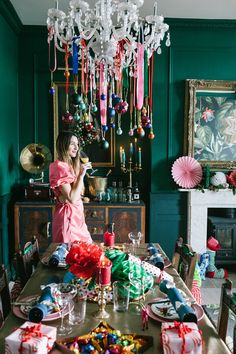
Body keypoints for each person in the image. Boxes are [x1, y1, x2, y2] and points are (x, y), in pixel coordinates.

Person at [49, 131, 93, 243]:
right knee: (69, 256)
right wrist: (82, 175)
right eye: (72, 143)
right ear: (63, 145)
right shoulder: (60, 167)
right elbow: (72, 198)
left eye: (77, 144)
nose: (76, 147)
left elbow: (78, 193)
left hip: (78, 218)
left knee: (86, 253)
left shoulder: (71, 166)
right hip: (68, 219)